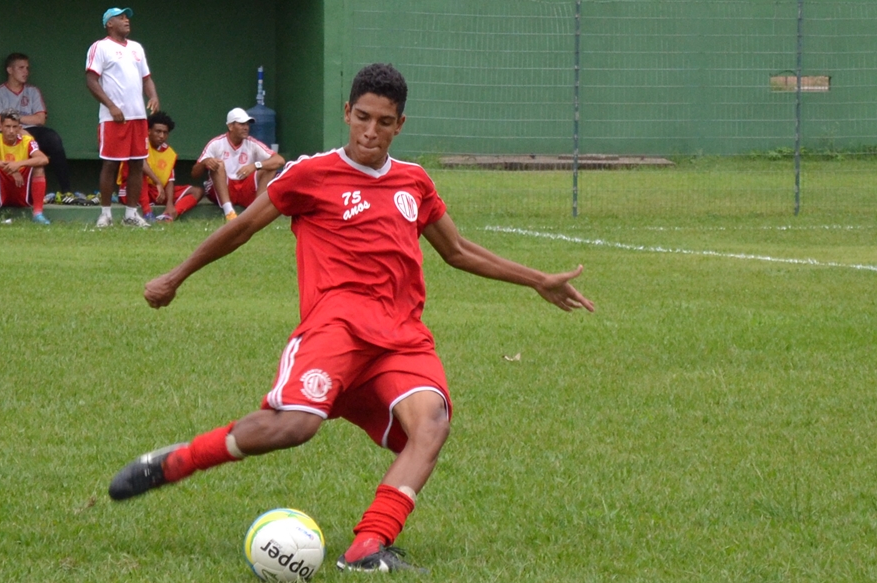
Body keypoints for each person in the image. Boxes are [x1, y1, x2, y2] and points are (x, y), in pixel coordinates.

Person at [108, 63, 595, 573]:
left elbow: (457, 250)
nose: (370, 131)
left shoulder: (414, 183)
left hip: (402, 339)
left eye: (384, 122)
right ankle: (179, 460)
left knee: (431, 425)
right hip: (335, 329)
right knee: (294, 427)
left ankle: (369, 545)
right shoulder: (309, 174)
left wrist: (537, 279)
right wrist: (175, 276)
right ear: (347, 113)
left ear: (400, 125)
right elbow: (241, 229)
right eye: (362, 117)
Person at [85, 6, 160, 228]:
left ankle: (130, 214)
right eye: (121, 17)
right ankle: (106, 214)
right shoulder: (100, 47)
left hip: (138, 117)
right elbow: (91, 80)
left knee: (137, 164)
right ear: (109, 23)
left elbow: (146, 78)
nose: (126, 21)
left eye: (127, 17)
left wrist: (153, 96)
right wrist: (111, 106)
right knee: (110, 164)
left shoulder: (137, 48)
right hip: (113, 118)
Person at [0, 52, 77, 202]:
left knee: (53, 139)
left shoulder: (32, 91)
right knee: (20, 139)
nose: (26, 72)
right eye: (21, 68)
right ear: (10, 70)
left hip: (33, 130)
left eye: (27, 68)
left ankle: (66, 190)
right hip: (9, 134)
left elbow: (40, 119)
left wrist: (15, 118)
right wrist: (17, 127)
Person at [192, 107, 284, 221]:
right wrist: (205, 162)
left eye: (247, 124)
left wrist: (255, 165)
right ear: (230, 126)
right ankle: (229, 212)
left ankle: (256, 212)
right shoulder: (216, 143)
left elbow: (279, 160)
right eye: (241, 124)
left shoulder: (252, 143)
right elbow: (195, 174)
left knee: (269, 167)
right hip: (222, 189)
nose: (246, 127)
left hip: (244, 188)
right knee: (219, 164)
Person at [115, 111, 200, 221]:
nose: (162, 136)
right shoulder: (139, 143)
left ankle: (169, 216)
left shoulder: (169, 153)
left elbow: (170, 179)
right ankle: (148, 213)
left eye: (165, 133)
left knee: (197, 191)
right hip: (132, 190)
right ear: (149, 131)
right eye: (158, 131)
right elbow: (140, 164)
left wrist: (169, 203)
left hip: (155, 192)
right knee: (140, 173)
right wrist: (158, 181)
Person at [0, 109, 50, 224]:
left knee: (39, 168)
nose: (11, 131)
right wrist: (11, 169)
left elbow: (43, 159)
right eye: (7, 126)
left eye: (15, 127)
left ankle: (38, 214)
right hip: (1, 185)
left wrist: (18, 164)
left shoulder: (28, 141)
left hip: (21, 185)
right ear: (0, 126)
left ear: (20, 128)